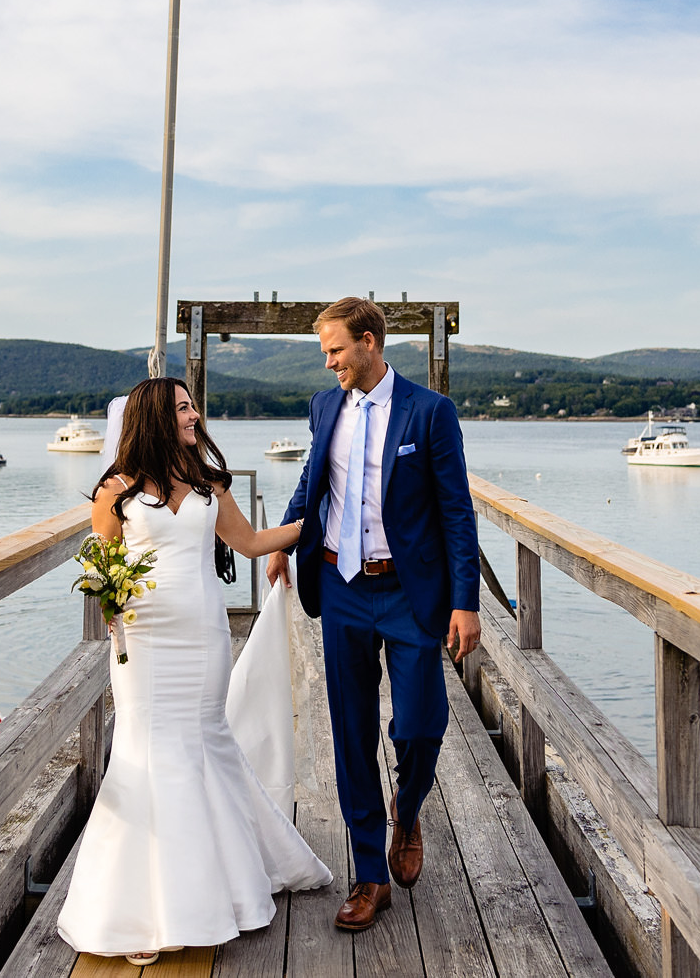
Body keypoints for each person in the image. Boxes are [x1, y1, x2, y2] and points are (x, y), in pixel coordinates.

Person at [56, 377, 329, 965]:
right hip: (146, 643)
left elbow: (252, 543)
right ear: (157, 415)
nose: (194, 413)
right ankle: (146, 912)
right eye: (182, 407)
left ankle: (223, 885)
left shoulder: (207, 481)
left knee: (206, 745)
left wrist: (319, 524)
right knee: (148, 753)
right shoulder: (116, 490)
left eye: (192, 405)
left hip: (204, 637)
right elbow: (100, 564)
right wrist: (110, 604)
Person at [264, 296, 481, 932]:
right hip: (340, 587)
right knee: (351, 732)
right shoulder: (324, 405)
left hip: (410, 593)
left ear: (368, 342)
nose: (328, 362)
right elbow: (313, 481)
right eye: (324, 352)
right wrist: (283, 539)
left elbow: (456, 512)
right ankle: (369, 875)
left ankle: (406, 811)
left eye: (334, 350)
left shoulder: (430, 412)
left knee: (420, 724)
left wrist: (465, 601)